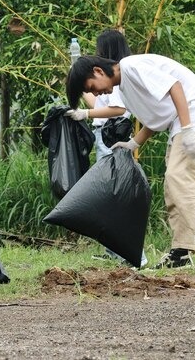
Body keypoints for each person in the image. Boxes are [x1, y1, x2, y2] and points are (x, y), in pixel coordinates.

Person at [66, 54, 195, 270]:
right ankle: (181, 252)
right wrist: (133, 144)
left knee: (178, 177)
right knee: (172, 186)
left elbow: (175, 87)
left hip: (194, 115)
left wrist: (189, 128)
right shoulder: (124, 87)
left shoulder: (131, 67)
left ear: (98, 71)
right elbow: (156, 117)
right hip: (180, 123)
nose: (97, 93)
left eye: (92, 87)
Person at [64, 30, 147, 267]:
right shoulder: (108, 78)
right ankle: (115, 251)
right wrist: (82, 86)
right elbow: (99, 102)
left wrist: (85, 113)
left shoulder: (121, 74)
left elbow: (118, 109)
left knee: (116, 195)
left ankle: (134, 255)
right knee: (108, 194)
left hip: (114, 136)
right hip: (104, 135)